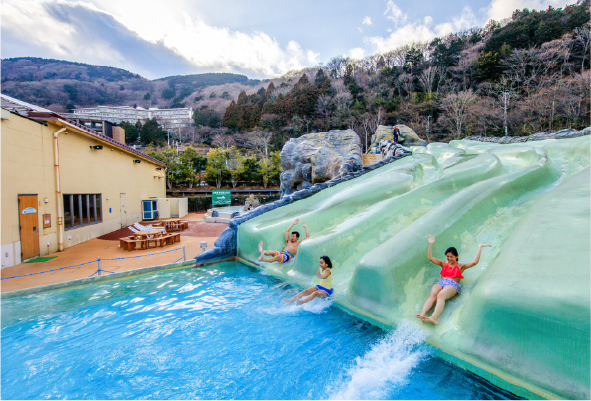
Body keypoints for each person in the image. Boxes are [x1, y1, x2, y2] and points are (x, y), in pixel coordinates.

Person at [417, 235, 491, 325]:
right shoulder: (443, 263)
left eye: (451, 256)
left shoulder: (461, 266)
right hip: (441, 282)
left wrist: (479, 247)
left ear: (456, 256)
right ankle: (423, 314)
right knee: (433, 294)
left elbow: (474, 262)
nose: (449, 258)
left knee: (440, 295)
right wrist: (430, 244)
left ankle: (434, 317)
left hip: (452, 285)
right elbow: (430, 258)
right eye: (447, 256)